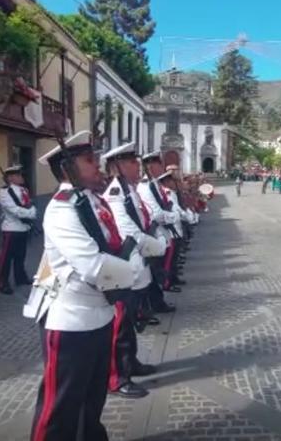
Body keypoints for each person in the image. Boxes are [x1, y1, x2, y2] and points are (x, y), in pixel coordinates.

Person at [23, 130, 142, 441]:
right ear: (68, 169)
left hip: (99, 313)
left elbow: (112, 245)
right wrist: (136, 274)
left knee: (92, 398)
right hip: (71, 320)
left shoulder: (90, 201)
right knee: (60, 405)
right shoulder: (63, 209)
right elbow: (93, 265)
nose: (97, 165)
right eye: (89, 160)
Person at [101, 142, 166, 399]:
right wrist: (155, 246)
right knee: (120, 324)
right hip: (125, 264)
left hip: (138, 262)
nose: (137, 166)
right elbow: (128, 229)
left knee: (129, 321)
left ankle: (131, 363)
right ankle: (117, 377)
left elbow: (145, 220)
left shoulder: (131, 190)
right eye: (131, 162)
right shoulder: (116, 192)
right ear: (117, 166)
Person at [137, 151, 178, 313]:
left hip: (161, 233)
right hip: (153, 235)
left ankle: (155, 303)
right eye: (158, 164)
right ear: (150, 167)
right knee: (152, 274)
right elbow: (156, 214)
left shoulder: (153, 185)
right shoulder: (145, 187)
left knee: (157, 272)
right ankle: (151, 306)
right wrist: (173, 216)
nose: (161, 167)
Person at [0, 165, 37, 295]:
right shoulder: (5, 191)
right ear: (10, 178)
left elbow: (31, 204)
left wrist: (32, 212)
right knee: (6, 258)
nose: (21, 177)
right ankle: (3, 282)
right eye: (18, 175)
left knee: (20, 255)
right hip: (11, 228)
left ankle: (20, 277)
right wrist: (30, 214)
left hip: (24, 228)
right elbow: (13, 209)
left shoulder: (23, 190)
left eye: (21, 174)